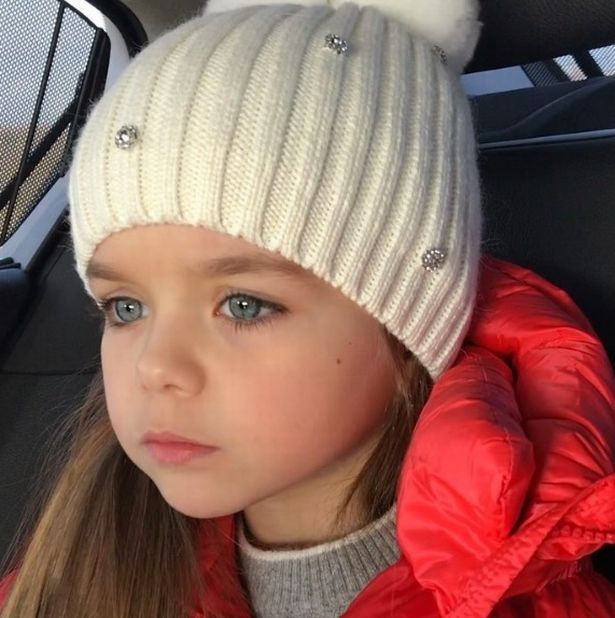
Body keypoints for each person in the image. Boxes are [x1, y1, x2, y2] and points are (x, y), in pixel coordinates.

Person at [1, 0, 614, 616]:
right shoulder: (78, 567)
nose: (154, 367)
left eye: (244, 305)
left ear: (407, 332)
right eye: (126, 308)